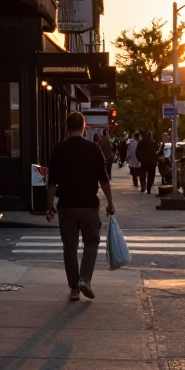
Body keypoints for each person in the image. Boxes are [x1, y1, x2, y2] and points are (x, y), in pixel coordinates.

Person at [45, 111, 115, 301]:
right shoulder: (94, 148)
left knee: (70, 246)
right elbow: (104, 179)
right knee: (91, 244)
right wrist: (110, 202)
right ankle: (85, 279)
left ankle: (74, 288)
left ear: (66, 127)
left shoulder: (59, 149)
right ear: (84, 127)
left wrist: (49, 205)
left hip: (66, 206)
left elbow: (52, 181)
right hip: (88, 206)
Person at [135, 130, 159, 194]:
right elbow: (157, 153)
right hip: (152, 162)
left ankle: (143, 185)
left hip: (143, 161)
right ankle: (149, 188)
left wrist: (140, 159)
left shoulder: (141, 143)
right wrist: (156, 160)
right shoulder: (154, 143)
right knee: (151, 175)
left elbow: (137, 152)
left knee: (142, 174)